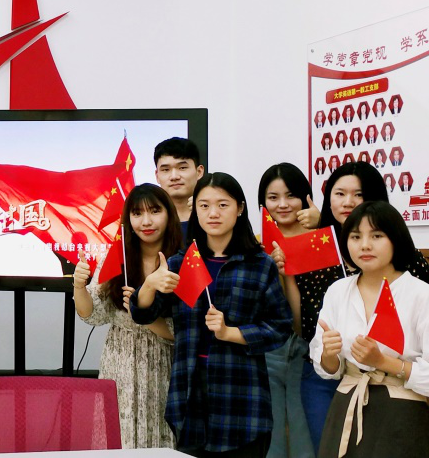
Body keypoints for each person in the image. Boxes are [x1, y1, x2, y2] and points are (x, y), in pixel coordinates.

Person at [132, 172, 293, 457]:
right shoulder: (181, 262)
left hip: (241, 394)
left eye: (222, 205)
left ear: (239, 208)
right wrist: (149, 285)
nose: (213, 213)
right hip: (190, 391)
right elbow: (143, 314)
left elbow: (280, 327)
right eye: (204, 205)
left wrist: (232, 333)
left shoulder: (259, 264)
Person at [295, 162, 429, 454]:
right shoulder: (317, 250)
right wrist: (328, 354)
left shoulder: (411, 275)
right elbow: (309, 320)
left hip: (395, 389)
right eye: (339, 194)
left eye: (358, 194)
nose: (348, 202)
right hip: (334, 377)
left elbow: (428, 335)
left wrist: (383, 361)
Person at [310, 202, 429, 458]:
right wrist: (328, 355)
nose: (365, 245)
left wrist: (383, 362)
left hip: (400, 410)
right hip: (345, 404)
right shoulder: (337, 291)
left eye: (376, 236)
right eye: (356, 237)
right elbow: (327, 369)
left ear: (396, 239)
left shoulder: (423, 296)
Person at [72, 184, 178, 449]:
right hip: (119, 364)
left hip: (164, 367)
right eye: (137, 213)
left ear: (169, 214)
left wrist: (141, 314)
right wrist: (78, 286)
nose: (146, 221)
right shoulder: (117, 257)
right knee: (117, 440)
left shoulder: (182, 260)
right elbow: (92, 315)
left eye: (154, 211)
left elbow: (181, 334)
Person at [257, 164, 316, 458]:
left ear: (305, 197)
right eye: (273, 197)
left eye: (291, 195)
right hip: (270, 352)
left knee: (309, 429)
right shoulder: (256, 245)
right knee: (273, 432)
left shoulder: (322, 238)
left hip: (318, 352)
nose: (282, 204)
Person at [154, 137, 205, 232]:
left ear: (199, 172)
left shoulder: (214, 217)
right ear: (157, 176)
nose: (174, 177)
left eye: (182, 168)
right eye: (166, 170)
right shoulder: (149, 223)